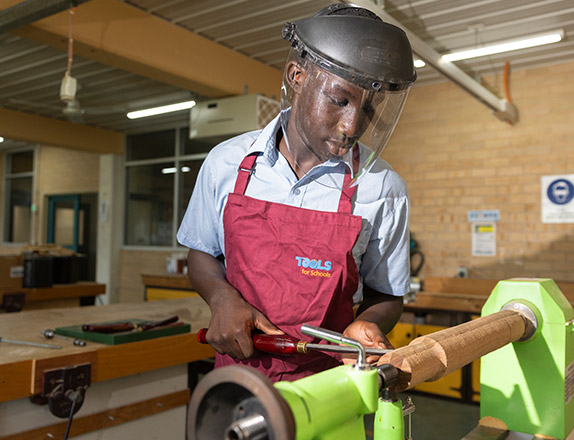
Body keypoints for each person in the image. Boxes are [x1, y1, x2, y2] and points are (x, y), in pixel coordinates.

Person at [177, 3, 416, 382]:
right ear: (297, 76)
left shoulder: (383, 188)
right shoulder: (226, 163)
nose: (352, 125)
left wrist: (368, 323)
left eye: (369, 110)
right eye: (339, 100)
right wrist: (221, 298)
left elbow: (386, 294)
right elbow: (202, 252)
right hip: (238, 382)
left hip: (334, 386)